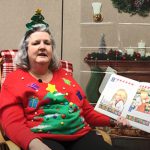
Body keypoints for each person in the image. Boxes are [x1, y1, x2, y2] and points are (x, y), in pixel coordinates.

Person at [0, 10, 129, 150]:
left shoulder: (65, 75)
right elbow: (12, 123)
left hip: (80, 134)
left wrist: (113, 121)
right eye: (36, 43)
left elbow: (87, 112)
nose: (42, 46)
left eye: (47, 43)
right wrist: (34, 145)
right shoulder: (14, 80)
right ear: (26, 49)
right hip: (42, 138)